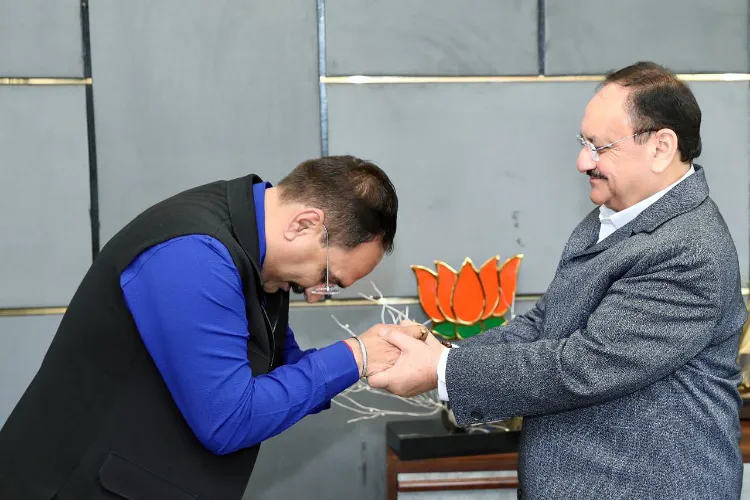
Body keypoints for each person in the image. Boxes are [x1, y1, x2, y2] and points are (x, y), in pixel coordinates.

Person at [370, 62, 748, 499]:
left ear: (662, 147)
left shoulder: (688, 249)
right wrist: (444, 353)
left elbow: (583, 367)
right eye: (583, 142)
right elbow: (547, 324)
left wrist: (440, 371)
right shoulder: (613, 217)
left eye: (599, 147)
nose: (582, 161)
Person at [0, 155, 426, 500]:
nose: (315, 294)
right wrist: (356, 354)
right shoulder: (194, 254)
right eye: (327, 277)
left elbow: (280, 371)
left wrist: (373, 358)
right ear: (304, 224)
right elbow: (229, 421)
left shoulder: (258, 254)